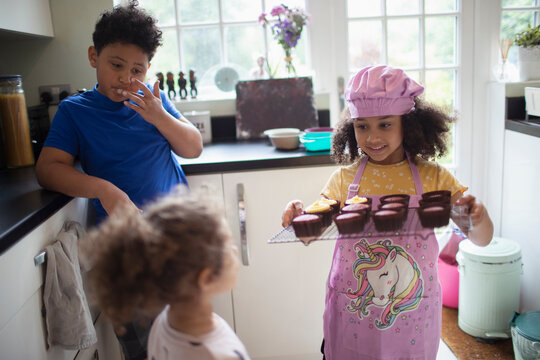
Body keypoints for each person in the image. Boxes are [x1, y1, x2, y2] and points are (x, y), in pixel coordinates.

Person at [281, 65, 493, 360]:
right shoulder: (344, 180)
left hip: (412, 313)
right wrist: (299, 218)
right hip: (354, 311)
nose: (372, 137)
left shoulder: (435, 178)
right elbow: (311, 233)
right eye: (362, 126)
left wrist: (478, 218)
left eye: (385, 124)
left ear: (408, 123)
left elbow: (482, 240)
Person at [35, 1, 203, 359]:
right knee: (143, 346)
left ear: (148, 70)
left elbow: (193, 148)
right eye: (116, 65)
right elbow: (47, 168)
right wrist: (104, 190)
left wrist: (160, 117)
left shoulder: (153, 100)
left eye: (137, 69)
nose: (127, 78)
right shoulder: (75, 111)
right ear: (94, 56)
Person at [81, 187, 251, 360]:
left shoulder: (164, 323)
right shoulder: (218, 355)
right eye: (228, 246)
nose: (235, 251)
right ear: (205, 278)